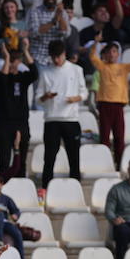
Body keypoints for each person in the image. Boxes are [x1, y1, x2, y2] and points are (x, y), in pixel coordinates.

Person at [37, 39, 86, 190]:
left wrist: (75, 98)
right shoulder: (45, 72)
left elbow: (84, 92)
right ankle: (45, 189)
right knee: (49, 157)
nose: (56, 60)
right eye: (53, 57)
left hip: (71, 119)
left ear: (64, 54)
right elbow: (38, 98)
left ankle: (75, 188)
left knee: (74, 156)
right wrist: (47, 96)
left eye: (58, 56)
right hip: (52, 119)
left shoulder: (76, 70)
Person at [90, 40, 130, 169]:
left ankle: (119, 163)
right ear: (105, 54)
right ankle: (104, 163)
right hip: (104, 105)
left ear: (118, 54)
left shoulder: (124, 67)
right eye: (109, 51)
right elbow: (92, 57)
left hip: (118, 106)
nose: (111, 54)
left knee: (119, 137)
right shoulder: (102, 66)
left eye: (114, 51)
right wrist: (96, 43)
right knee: (104, 137)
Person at [0, 41, 36, 179]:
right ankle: (2, 188)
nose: (12, 63)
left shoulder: (23, 77)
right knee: (4, 161)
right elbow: (3, 80)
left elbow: (35, 73)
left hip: (21, 123)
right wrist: (6, 58)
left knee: (21, 161)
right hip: (4, 124)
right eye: (10, 60)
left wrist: (26, 51)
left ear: (19, 61)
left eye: (14, 60)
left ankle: (21, 187)